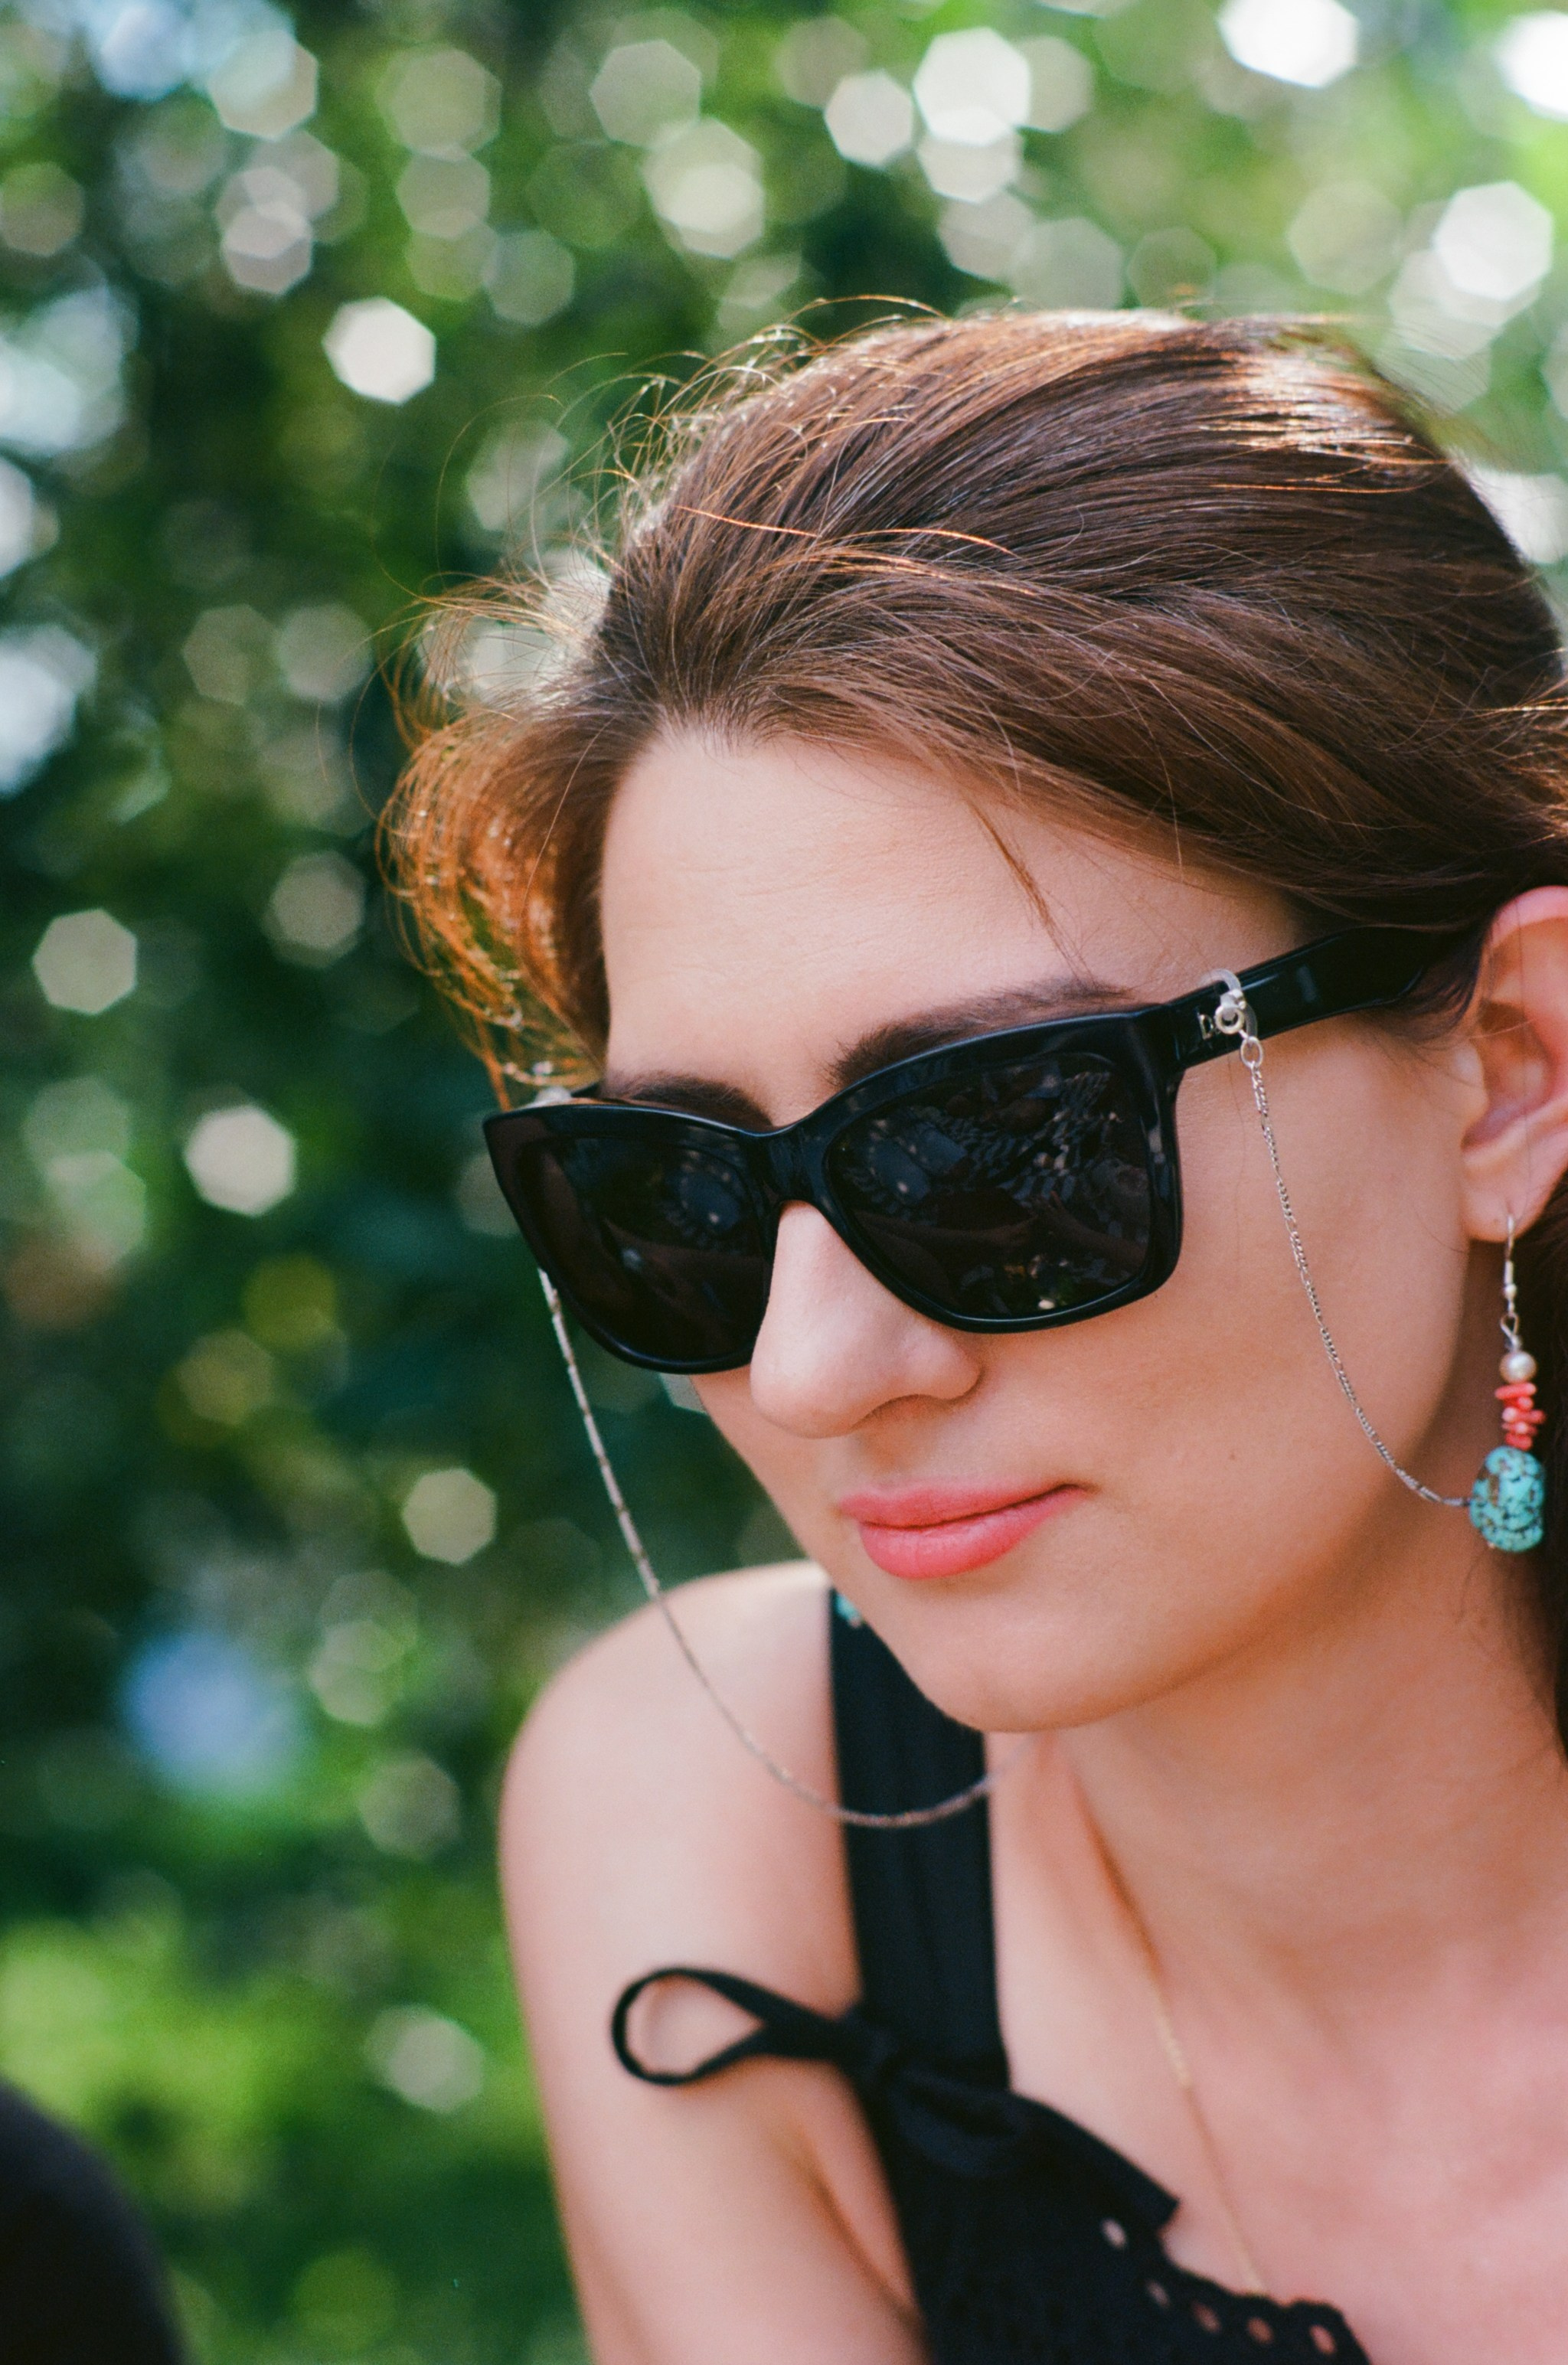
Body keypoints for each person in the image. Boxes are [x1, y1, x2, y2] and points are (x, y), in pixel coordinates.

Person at [388, 312, 1568, 2363]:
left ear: (1509, 1067)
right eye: (678, 1194)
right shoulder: (715, 1843)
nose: (812, 1371)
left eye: (1001, 1149)